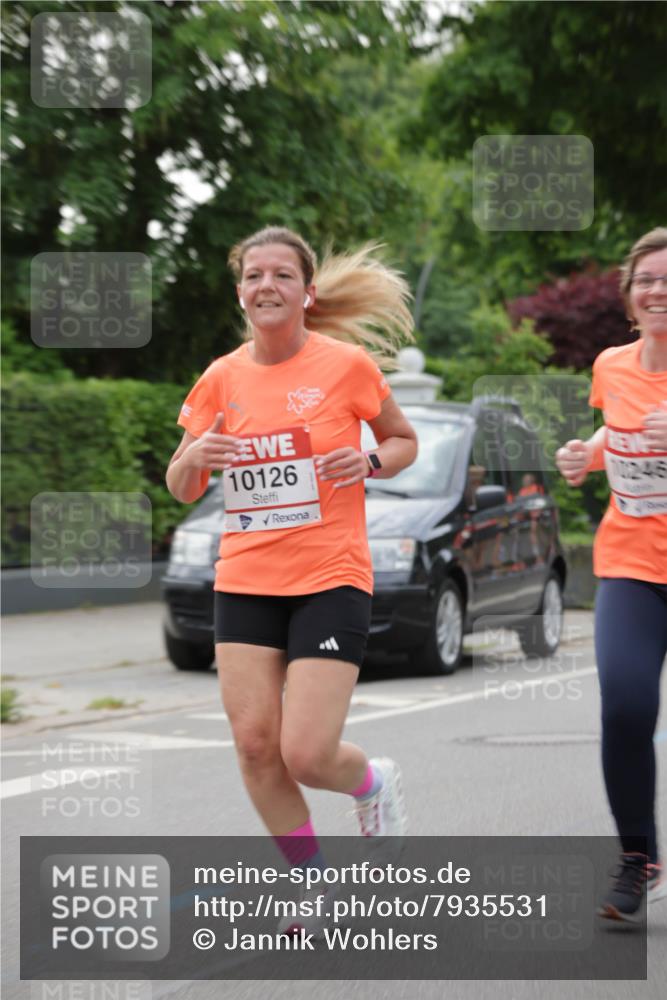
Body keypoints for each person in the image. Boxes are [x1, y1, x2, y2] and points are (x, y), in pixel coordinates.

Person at [166, 226, 418, 934]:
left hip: (329, 576)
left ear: (306, 292)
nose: (265, 285)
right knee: (253, 743)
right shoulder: (221, 378)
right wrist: (197, 457)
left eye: (280, 275)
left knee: (305, 753)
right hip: (245, 577)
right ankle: (310, 880)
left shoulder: (345, 366)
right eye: (252, 275)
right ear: (240, 290)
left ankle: (372, 784)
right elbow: (181, 484)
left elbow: (402, 441)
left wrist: (367, 463)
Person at [556, 227, 667, 923]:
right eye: (647, 280)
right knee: (625, 706)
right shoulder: (611, 366)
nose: (658, 291)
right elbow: (614, 432)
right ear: (629, 297)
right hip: (629, 560)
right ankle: (638, 857)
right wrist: (585, 456)